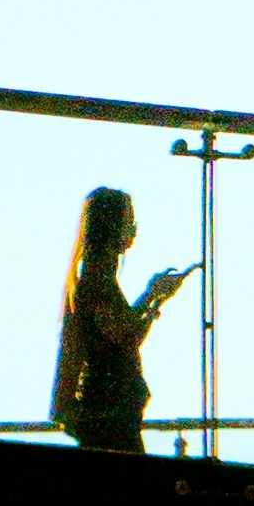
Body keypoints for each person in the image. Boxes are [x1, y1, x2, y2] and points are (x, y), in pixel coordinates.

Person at [50, 187, 192, 453]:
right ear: (112, 227)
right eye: (129, 222)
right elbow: (125, 336)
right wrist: (153, 299)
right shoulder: (95, 283)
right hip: (109, 417)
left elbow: (121, 330)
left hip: (108, 415)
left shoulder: (93, 281)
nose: (134, 230)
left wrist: (151, 298)